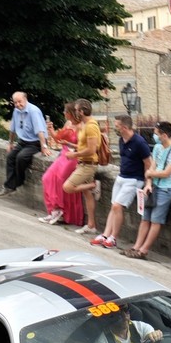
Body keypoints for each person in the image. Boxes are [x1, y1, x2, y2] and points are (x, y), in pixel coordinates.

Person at [123, 121, 171, 260]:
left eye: (157, 134)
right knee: (145, 218)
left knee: (156, 220)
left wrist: (150, 174)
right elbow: (152, 167)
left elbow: (167, 173)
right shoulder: (157, 148)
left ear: (165, 135)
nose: (154, 136)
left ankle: (144, 250)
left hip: (167, 189)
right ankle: (136, 247)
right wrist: (148, 183)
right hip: (154, 187)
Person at [94, 115, 152, 248]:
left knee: (117, 206)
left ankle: (113, 237)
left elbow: (148, 163)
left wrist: (147, 182)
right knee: (113, 205)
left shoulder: (139, 142)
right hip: (121, 176)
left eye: (117, 126)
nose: (115, 128)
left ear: (125, 127)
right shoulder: (122, 140)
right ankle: (105, 235)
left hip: (134, 179)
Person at [38, 107, 84, 227]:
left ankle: (60, 209)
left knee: (61, 179)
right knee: (46, 178)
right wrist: (51, 129)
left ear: (71, 113)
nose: (63, 113)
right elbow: (59, 139)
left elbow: (83, 147)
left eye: (65, 111)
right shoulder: (68, 123)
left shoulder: (81, 126)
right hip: (63, 155)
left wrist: (68, 144)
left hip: (73, 157)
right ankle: (54, 209)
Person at [0, 92, 48, 196]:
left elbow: (40, 130)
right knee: (10, 157)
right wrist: (10, 143)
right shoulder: (16, 111)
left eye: (19, 101)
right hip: (23, 141)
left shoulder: (33, 111)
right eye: (15, 102)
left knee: (21, 158)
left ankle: (17, 183)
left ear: (25, 99)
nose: (17, 104)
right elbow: (12, 129)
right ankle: (10, 187)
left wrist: (44, 146)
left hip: (35, 142)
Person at [62, 99, 100, 234]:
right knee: (87, 195)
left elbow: (92, 149)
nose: (75, 112)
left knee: (68, 187)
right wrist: (71, 145)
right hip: (84, 163)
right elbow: (85, 145)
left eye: (77, 110)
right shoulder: (85, 124)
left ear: (82, 111)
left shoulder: (91, 126)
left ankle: (94, 185)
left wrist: (75, 154)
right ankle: (91, 225)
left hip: (88, 165)